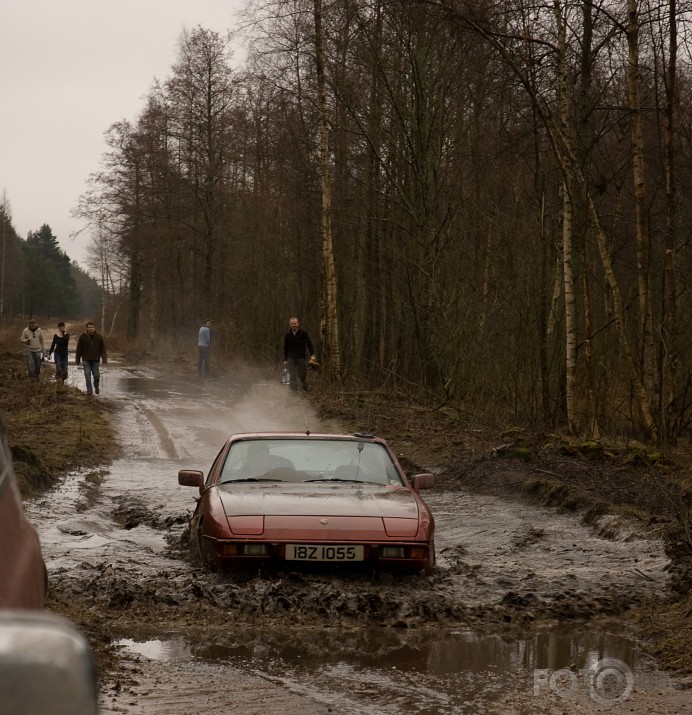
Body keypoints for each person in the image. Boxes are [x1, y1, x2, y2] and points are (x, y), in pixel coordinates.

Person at [283, 316, 316, 391]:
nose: (293, 325)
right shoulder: (287, 334)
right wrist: (285, 359)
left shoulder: (303, 333)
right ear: (290, 325)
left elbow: (309, 344)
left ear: (298, 324)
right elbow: (285, 347)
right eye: (292, 324)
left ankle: (304, 383)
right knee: (292, 375)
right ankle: (294, 393)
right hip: (291, 357)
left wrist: (312, 355)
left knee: (302, 374)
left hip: (301, 357)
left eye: (295, 323)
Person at [75, 321, 107, 396]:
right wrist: (77, 359)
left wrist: (104, 359)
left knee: (96, 376)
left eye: (92, 327)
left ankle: (96, 386)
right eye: (89, 327)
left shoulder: (99, 337)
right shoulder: (82, 337)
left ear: (94, 328)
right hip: (86, 360)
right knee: (87, 376)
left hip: (95, 360)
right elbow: (78, 349)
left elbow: (103, 349)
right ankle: (89, 392)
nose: (91, 329)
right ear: (87, 328)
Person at [48, 321, 70, 388]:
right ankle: (59, 383)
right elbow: (53, 344)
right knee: (59, 369)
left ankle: (62, 382)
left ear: (64, 327)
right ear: (58, 328)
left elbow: (65, 341)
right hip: (57, 354)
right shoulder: (56, 335)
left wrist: (63, 333)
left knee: (65, 370)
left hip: (65, 354)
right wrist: (49, 353)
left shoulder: (67, 335)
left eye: (63, 326)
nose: (61, 328)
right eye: (60, 327)